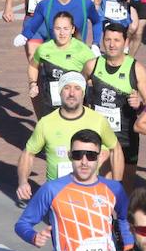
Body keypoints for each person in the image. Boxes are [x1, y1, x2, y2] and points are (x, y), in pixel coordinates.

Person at [16, 72, 124, 207]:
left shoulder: (98, 121)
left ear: (83, 93)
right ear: (60, 92)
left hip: (90, 196)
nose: (72, 93)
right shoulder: (46, 123)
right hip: (58, 197)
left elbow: (115, 148)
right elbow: (28, 153)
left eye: (77, 88)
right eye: (66, 88)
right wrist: (23, 181)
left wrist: (116, 184)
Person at [87, 23, 146, 191]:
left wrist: (139, 104)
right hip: (100, 135)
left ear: (125, 43)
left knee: (126, 187)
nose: (111, 44)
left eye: (116, 40)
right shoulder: (92, 65)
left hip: (126, 136)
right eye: (108, 40)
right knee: (104, 184)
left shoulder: (136, 68)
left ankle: (123, 208)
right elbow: (77, 89)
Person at [29, 11, 98, 117]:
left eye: (66, 29)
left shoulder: (83, 50)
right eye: (58, 28)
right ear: (53, 29)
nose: (62, 33)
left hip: (75, 108)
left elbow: (95, 75)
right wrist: (33, 84)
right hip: (51, 106)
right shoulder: (44, 49)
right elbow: (33, 66)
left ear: (72, 29)